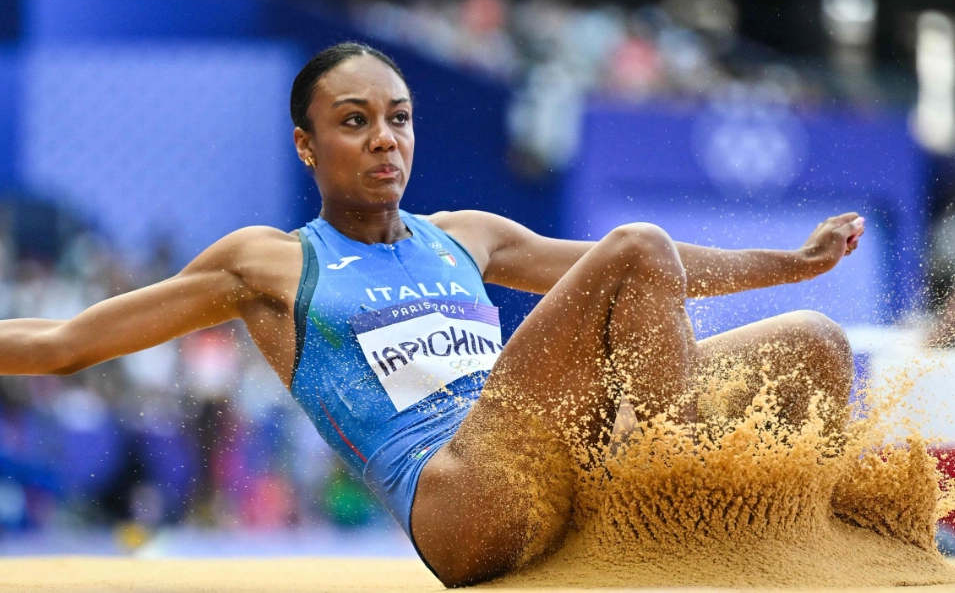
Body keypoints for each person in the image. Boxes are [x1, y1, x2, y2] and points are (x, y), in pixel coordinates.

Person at [0, 42, 865, 587]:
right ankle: (667, 506)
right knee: (635, 245)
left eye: (399, 119)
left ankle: (777, 543)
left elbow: (661, 274)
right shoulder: (266, 260)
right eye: (354, 121)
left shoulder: (466, 236)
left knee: (814, 346)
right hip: (457, 501)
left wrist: (791, 266)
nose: (385, 138)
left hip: (547, 467)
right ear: (306, 144)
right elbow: (66, 341)